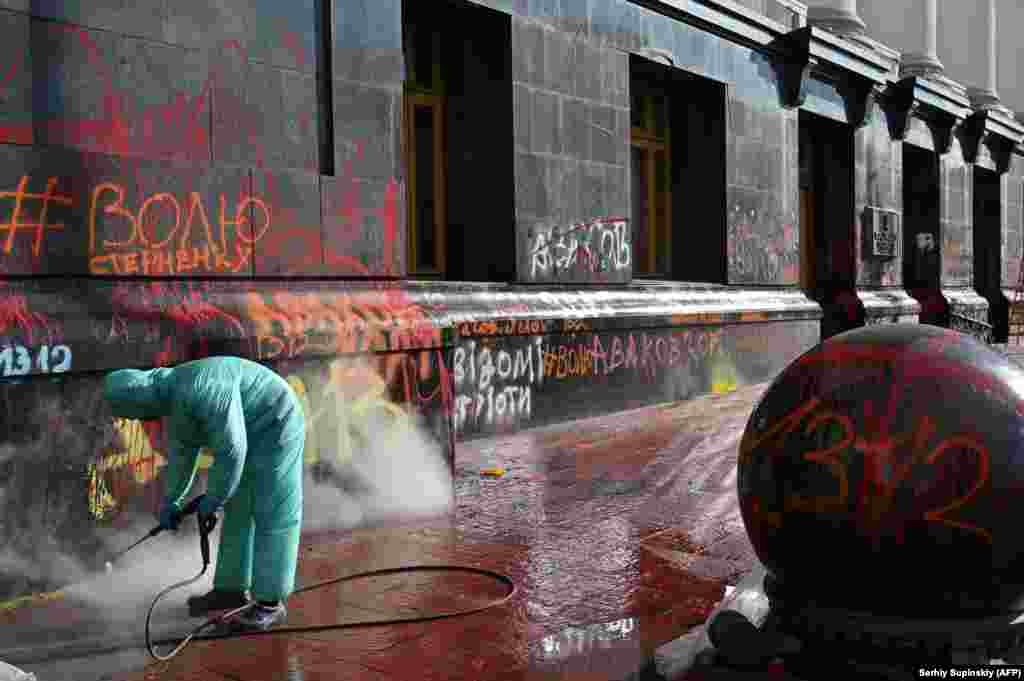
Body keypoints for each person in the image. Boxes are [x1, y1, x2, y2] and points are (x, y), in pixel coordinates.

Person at [102, 356, 305, 632]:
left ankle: (270, 603)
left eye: (134, 413)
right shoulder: (173, 398)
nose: (138, 419)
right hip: (249, 429)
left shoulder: (201, 388)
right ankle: (230, 591)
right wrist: (171, 501)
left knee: (273, 509)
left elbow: (232, 450)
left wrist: (214, 498)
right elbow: (183, 456)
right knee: (239, 510)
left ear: (139, 400)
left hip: (277, 421)